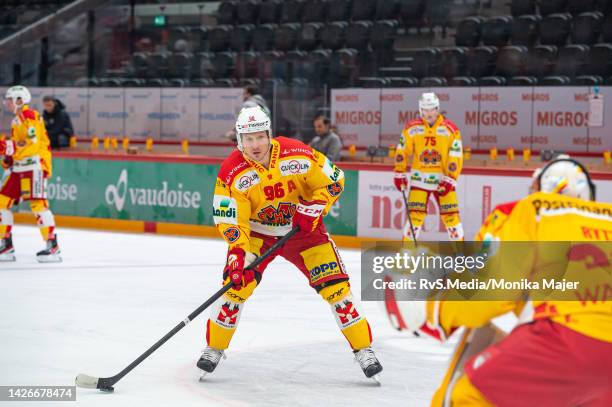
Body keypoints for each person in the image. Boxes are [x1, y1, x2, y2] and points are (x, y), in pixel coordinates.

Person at [385, 157, 612, 406]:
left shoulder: (537, 209)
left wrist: (431, 310)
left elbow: (493, 291)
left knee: (465, 396)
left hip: (564, 341)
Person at [199, 106, 383, 381]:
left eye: (260, 136)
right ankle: (214, 347)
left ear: (269, 135)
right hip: (258, 236)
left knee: (336, 289)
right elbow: (230, 217)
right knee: (235, 288)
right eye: (249, 139)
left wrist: (313, 207)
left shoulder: (296, 153)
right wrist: (238, 252)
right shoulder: (231, 172)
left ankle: (363, 349)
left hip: (304, 233)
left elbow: (335, 180)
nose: (255, 144)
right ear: (240, 140)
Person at [0, 85, 61, 262]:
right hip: (19, 168)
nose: (7, 103)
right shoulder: (17, 119)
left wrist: (7, 147)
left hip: (34, 166)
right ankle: (6, 244)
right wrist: (9, 158)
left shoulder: (30, 116)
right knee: (2, 201)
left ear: (19, 100)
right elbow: (19, 144)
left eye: (10, 100)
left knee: (38, 205)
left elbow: (31, 144)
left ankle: (52, 246)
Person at [393, 92, 464, 241]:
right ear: (420, 110)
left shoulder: (450, 129)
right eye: (425, 109)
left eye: (431, 109)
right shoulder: (412, 128)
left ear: (437, 109)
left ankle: (461, 258)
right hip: (420, 180)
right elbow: (402, 150)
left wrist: (451, 178)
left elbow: (456, 154)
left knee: (452, 219)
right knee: (414, 219)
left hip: (443, 181)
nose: (428, 113)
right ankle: (407, 258)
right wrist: (399, 172)